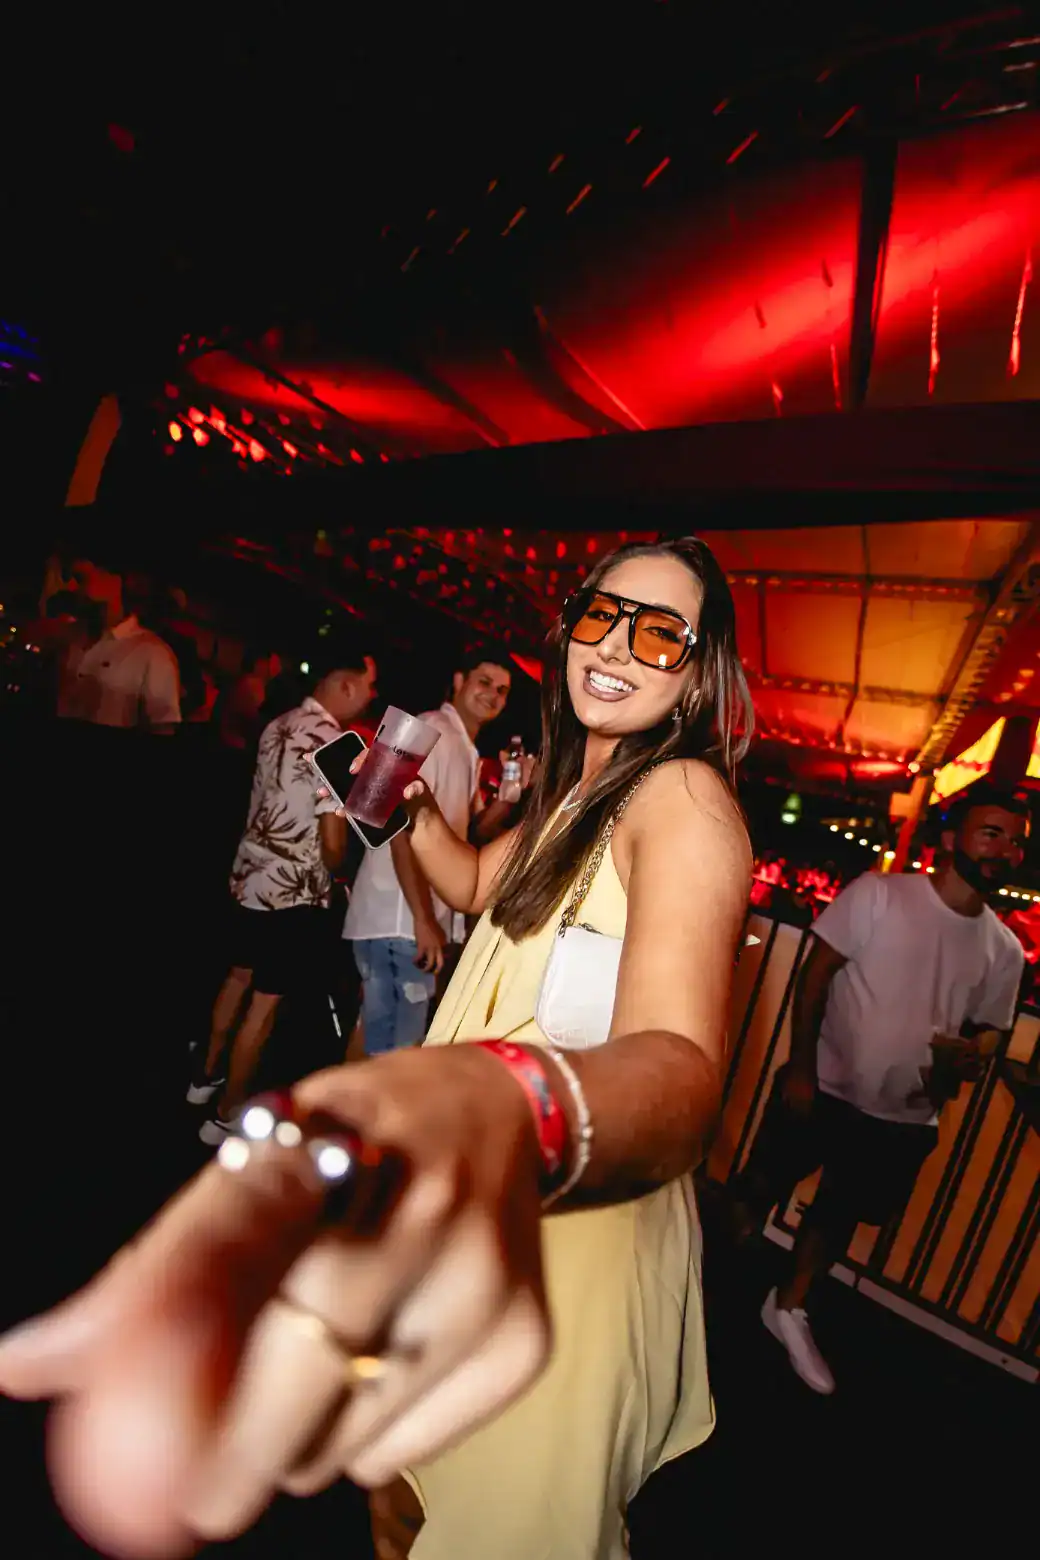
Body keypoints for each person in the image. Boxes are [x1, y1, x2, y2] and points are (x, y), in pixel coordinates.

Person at [0, 537, 752, 1560]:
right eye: (601, 614)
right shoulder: (582, 790)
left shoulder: (683, 800)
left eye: (660, 632)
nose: (617, 644)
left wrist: (492, 1102)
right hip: (470, 1209)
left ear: (698, 674)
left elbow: (683, 1071)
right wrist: (408, 808)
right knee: (402, 1489)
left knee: (499, 1526)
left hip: (564, 1242)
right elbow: (476, 883)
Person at [732, 785, 1027, 1395]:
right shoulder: (881, 894)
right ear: (953, 839)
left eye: (1015, 841)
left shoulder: (1004, 949)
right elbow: (816, 975)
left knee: (835, 1218)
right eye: (991, 833)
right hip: (823, 1085)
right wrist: (801, 1067)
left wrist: (976, 1054)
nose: (1004, 850)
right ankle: (700, 1284)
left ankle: (787, 1308)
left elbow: (990, 1029)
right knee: (757, 1188)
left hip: (903, 1116)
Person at [189, 640, 378, 1142]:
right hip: (292, 892)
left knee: (236, 977)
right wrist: (340, 869)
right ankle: (227, 1113)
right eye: (369, 686)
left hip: (249, 875)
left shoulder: (279, 724)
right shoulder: (335, 744)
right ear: (346, 685)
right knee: (266, 1003)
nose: (371, 696)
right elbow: (333, 843)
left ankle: (203, 1079)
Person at [343, 647, 527, 1056]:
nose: (493, 695)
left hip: (410, 921)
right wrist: (422, 920)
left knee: (375, 1037)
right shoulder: (429, 728)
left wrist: (509, 796)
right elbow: (392, 822)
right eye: (484, 682)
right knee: (396, 1051)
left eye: (502, 690)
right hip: (399, 919)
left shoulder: (465, 746)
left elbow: (471, 833)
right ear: (459, 681)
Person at [55, 553, 182, 734]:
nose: (72, 587)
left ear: (114, 580)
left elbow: (162, 729)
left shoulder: (153, 654)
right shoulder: (70, 638)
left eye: (81, 579)